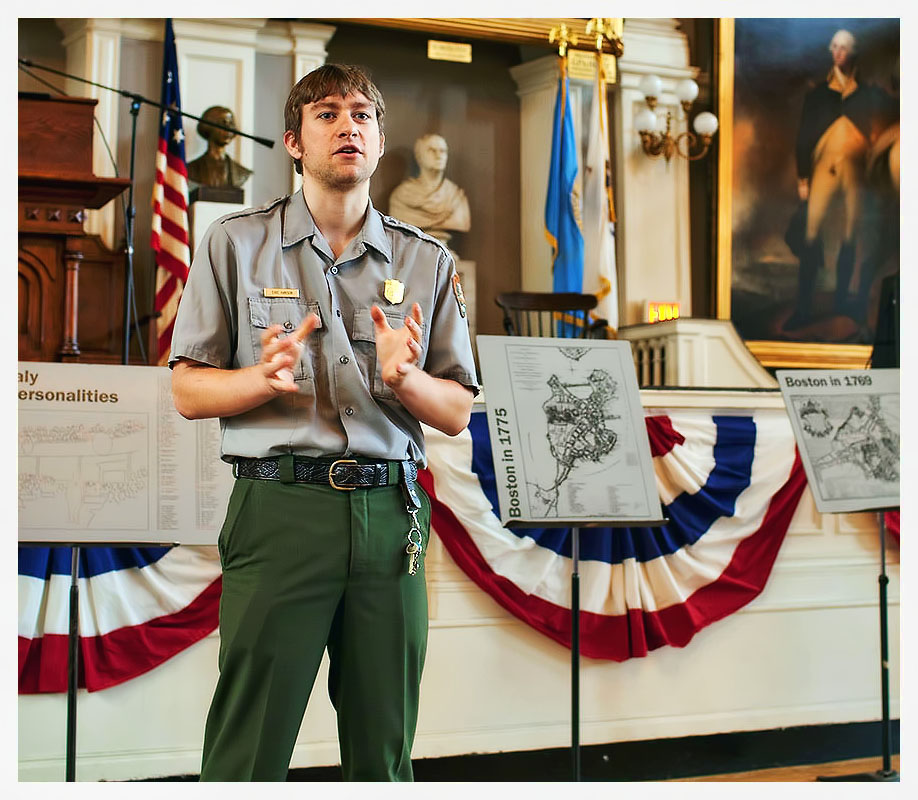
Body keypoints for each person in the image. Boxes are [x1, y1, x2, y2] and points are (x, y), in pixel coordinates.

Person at [169, 64, 478, 782]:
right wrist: (258, 379)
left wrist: (406, 378)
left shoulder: (426, 260)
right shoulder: (234, 244)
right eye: (329, 114)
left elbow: (458, 411)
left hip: (389, 510)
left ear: (378, 141)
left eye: (364, 115)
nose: (349, 126)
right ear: (293, 142)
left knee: (383, 747)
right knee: (251, 747)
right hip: (281, 507)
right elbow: (186, 390)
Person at [787, 29, 897, 329]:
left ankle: (842, 304)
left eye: (844, 48)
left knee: (851, 233)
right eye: (834, 47)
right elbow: (803, 137)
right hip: (823, 167)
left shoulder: (869, 94)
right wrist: (802, 177)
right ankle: (804, 309)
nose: (839, 52)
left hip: (856, 171)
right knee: (811, 233)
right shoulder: (818, 95)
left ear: (854, 53)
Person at [388, 133, 470, 249]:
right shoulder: (401, 196)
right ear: (419, 156)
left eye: (443, 151)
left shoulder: (456, 197)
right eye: (432, 150)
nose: (438, 156)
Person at [186, 105, 253, 189]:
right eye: (223, 123)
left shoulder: (241, 172)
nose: (228, 129)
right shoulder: (191, 169)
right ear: (208, 127)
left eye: (231, 123)